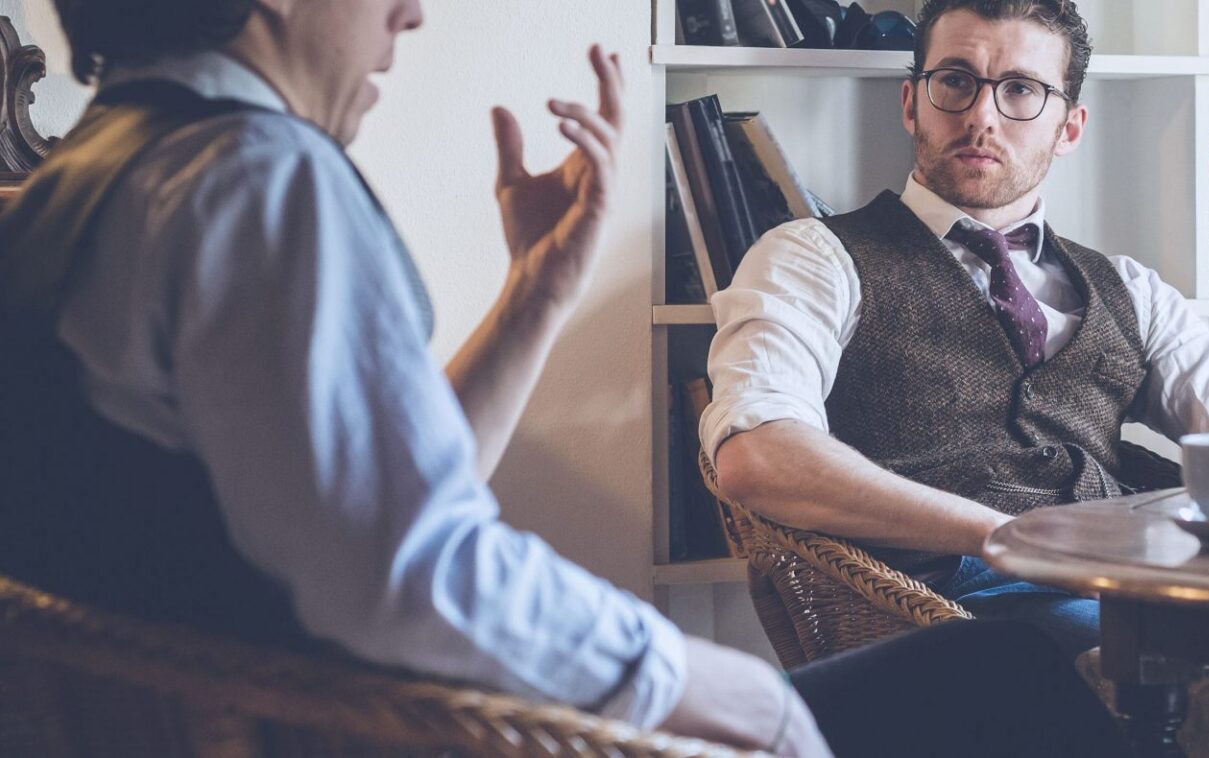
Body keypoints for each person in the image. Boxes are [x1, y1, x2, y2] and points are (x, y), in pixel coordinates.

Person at [0, 1, 1135, 755]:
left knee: (1001, 665)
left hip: (264, 706)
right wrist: (724, 689)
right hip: (387, 727)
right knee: (1007, 675)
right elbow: (411, 571)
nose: (408, 13)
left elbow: (386, 501)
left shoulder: (94, 175)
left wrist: (535, 292)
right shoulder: (259, 180)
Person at [704, 0, 1209, 753]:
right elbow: (758, 456)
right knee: (1127, 670)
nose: (982, 115)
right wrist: (1005, 536)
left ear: (1068, 127)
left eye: (1020, 90)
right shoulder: (814, 258)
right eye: (955, 81)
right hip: (961, 605)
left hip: (1142, 589)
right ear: (912, 103)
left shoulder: (1131, 289)